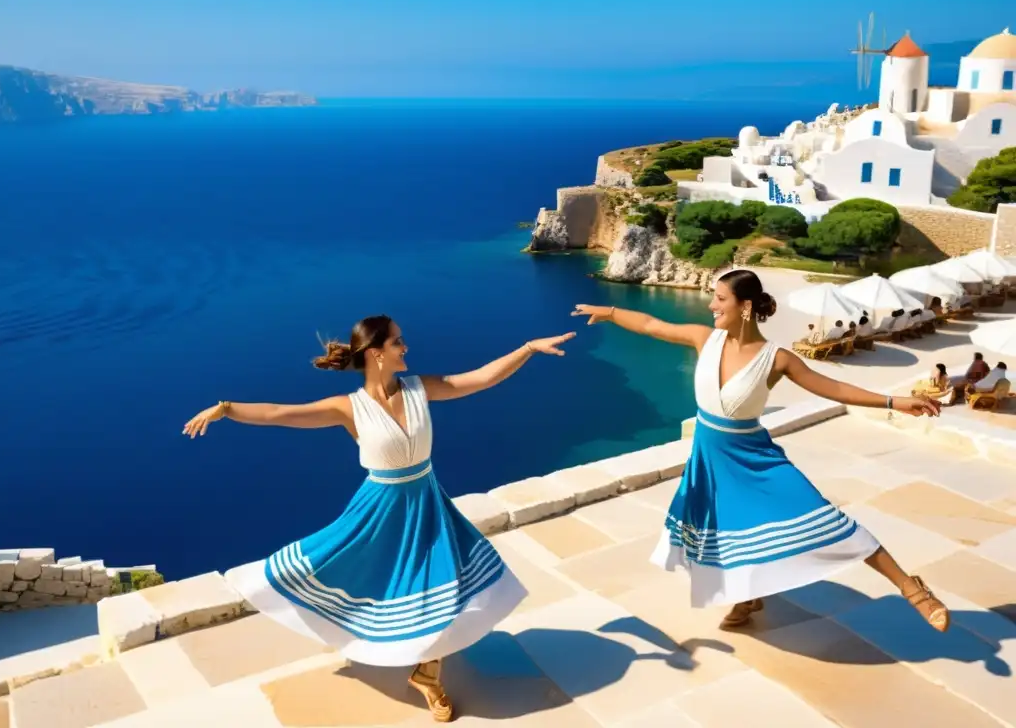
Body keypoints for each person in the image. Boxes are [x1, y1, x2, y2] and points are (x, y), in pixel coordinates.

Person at [182, 315, 575, 722]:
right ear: (376, 354)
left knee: (444, 587)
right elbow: (281, 412)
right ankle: (411, 662)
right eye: (398, 342)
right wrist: (226, 409)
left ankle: (428, 672)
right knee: (369, 579)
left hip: (427, 502)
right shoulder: (347, 407)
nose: (405, 347)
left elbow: (478, 379)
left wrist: (528, 348)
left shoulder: (420, 389)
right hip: (381, 509)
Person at [571, 270, 948, 633]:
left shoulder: (776, 358)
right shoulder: (705, 339)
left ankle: (911, 588)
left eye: (719, 299)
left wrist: (891, 400)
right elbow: (652, 325)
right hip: (709, 456)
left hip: (754, 456)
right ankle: (747, 598)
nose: (711, 306)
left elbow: (830, 387)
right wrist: (610, 313)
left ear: (745, 306)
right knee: (728, 531)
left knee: (824, 517)